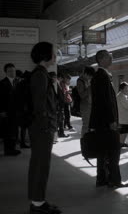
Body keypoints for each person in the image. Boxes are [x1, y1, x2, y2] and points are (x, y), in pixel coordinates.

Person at [89, 50, 128, 189]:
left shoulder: (99, 76)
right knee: (113, 151)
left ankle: (102, 179)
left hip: (101, 122)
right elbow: (105, 101)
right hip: (107, 122)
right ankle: (115, 180)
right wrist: (112, 121)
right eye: (108, 56)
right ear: (101, 59)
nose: (111, 57)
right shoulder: (102, 76)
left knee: (102, 151)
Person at [28, 42, 61, 214]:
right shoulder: (40, 75)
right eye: (53, 53)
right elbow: (40, 105)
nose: (55, 56)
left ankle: (37, 201)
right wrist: (47, 127)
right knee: (41, 166)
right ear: (45, 55)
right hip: (42, 129)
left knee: (39, 165)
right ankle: (38, 204)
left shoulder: (40, 73)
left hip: (40, 128)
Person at [0, 63, 21, 155]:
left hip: (15, 111)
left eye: (13, 70)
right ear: (6, 72)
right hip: (6, 111)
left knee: (14, 130)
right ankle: (7, 150)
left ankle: (12, 148)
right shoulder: (2, 83)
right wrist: (1, 111)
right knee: (7, 131)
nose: (12, 72)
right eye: (10, 71)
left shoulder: (17, 82)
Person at [77, 66, 94, 137]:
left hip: (89, 105)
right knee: (86, 125)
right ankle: (83, 141)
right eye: (89, 76)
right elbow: (82, 95)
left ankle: (88, 141)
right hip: (85, 106)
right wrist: (89, 88)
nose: (90, 78)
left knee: (90, 125)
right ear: (86, 74)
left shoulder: (86, 80)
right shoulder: (80, 81)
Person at [116, 82, 128, 148]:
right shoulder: (121, 96)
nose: (127, 90)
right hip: (123, 117)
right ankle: (121, 143)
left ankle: (121, 143)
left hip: (122, 117)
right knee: (125, 130)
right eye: (126, 88)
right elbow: (127, 106)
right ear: (121, 89)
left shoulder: (120, 95)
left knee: (124, 130)